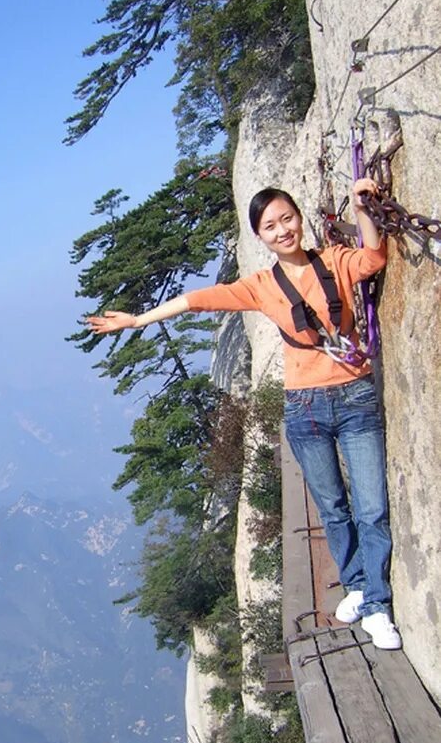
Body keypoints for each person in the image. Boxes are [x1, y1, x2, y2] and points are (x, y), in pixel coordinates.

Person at [87, 178, 401, 650]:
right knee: (334, 510)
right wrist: (138, 319)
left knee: (372, 508)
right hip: (305, 410)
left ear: (300, 218)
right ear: (260, 236)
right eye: (270, 226)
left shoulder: (334, 260)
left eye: (287, 219)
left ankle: (376, 605)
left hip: (354, 399)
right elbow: (196, 300)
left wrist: (362, 209)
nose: (282, 230)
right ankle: (357, 584)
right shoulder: (260, 287)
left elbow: (374, 258)